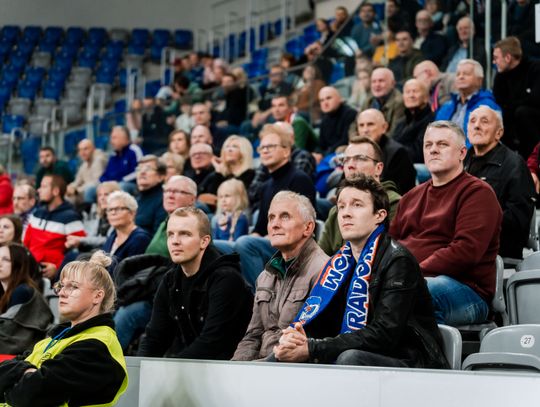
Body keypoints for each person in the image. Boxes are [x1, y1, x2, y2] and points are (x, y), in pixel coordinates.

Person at [272, 176, 448, 368]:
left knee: (350, 359)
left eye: (357, 205)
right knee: (280, 355)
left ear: (380, 215)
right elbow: (327, 323)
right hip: (368, 353)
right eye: (341, 206)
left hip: (410, 359)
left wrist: (314, 348)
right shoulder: (339, 265)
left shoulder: (398, 261)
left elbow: (385, 334)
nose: (346, 213)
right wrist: (298, 338)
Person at [390, 121, 503, 326]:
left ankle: (427, 349)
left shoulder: (477, 193)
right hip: (408, 281)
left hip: (466, 289)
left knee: (420, 292)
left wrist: (411, 273)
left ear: (462, 153)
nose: (433, 150)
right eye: (428, 145)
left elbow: (465, 251)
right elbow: (390, 245)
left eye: (442, 144)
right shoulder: (410, 197)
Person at [0, 251, 128, 406]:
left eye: (73, 287)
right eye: (60, 286)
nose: (61, 293)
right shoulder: (54, 339)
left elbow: (33, 394)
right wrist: (27, 373)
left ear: (97, 296)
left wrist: (16, 380)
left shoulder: (98, 345)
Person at [138, 207, 253, 359]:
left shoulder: (227, 279)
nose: (175, 241)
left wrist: (171, 368)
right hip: (195, 365)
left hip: (232, 367)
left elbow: (212, 344)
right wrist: (140, 368)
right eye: (170, 234)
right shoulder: (170, 280)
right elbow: (154, 337)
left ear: (204, 241)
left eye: (184, 234)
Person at [215, 123, 317, 287]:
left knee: (244, 244)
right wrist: (254, 236)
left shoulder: (299, 179)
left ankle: (262, 294)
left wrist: (259, 238)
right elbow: (260, 228)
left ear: (286, 151)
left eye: (270, 146)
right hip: (268, 242)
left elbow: (305, 225)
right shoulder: (265, 186)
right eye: (262, 148)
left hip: (292, 246)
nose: (265, 151)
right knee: (214, 246)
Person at [233, 191, 329, 361]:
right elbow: (252, 337)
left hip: (294, 368)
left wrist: (259, 367)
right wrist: (237, 368)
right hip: (261, 366)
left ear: (308, 228)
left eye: (285, 217)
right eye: (271, 218)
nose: (274, 225)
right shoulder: (264, 276)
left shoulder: (324, 271)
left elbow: (314, 341)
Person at [464, 106, 535, 259]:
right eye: (472, 121)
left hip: (495, 252)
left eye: (484, 121)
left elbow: (518, 219)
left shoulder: (514, 165)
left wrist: (474, 222)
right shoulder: (460, 162)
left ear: (499, 133)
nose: (476, 126)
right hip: (461, 244)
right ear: (467, 130)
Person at [319, 137, 402, 256]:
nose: (350, 165)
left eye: (360, 158)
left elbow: (389, 255)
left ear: (378, 168)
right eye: (346, 160)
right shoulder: (335, 211)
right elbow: (321, 258)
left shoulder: (396, 204)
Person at [24, 175, 86, 281]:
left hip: (52, 276)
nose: (39, 190)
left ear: (56, 191)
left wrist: (58, 268)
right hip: (29, 267)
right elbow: (26, 244)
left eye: (44, 186)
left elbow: (80, 253)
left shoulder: (70, 217)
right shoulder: (36, 213)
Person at [492, 36, 540, 158]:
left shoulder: (535, 68)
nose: (494, 62)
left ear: (508, 58)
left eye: (496, 58)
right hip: (512, 121)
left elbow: (535, 99)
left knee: (522, 112)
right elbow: (499, 101)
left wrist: (512, 105)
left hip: (534, 120)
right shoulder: (500, 75)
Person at [0, 243, 52, 354]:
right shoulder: (10, 291)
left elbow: (8, 332)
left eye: (6, 259)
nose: (0, 263)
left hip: (21, 354)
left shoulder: (22, 291)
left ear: (19, 264)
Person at [435, 59, 501, 145]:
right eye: (458, 74)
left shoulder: (488, 106)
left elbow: (486, 139)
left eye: (466, 74)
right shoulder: (447, 106)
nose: (461, 77)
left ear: (479, 80)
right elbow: (436, 134)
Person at [354, 109, 416, 194]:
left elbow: (401, 191)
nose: (365, 130)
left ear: (384, 127)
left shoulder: (398, 153)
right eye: (361, 125)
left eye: (370, 124)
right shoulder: (354, 152)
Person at [65, 181, 120, 254]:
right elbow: (92, 236)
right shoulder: (99, 215)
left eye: (106, 194)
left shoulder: (119, 216)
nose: (102, 198)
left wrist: (81, 240)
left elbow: (109, 240)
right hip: (95, 251)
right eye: (100, 195)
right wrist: (78, 242)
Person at [102, 191, 151, 269]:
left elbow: (130, 272)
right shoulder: (112, 236)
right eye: (110, 210)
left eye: (118, 209)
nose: (113, 213)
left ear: (132, 213)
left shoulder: (140, 239)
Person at [392, 78, 434, 163]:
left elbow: (418, 154)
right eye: (407, 92)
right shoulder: (401, 123)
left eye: (415, 91)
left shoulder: (431, 121)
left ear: (426, 97)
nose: (411, 95)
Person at [315, 86, 357, 161]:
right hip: (328, 155)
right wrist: (317, 154)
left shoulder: (350, 114)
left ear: (339, 98)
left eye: (328, 98)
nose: (325, 103)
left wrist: (324, 154)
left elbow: (345, 140)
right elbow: (321, 145)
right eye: (322, 100)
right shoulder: (324, 120)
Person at [99, 126, 144, 195]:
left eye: (114, 138)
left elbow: (139, 171)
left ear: (125, 138)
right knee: (93, 189)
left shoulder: (134, 150)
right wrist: (103, 183)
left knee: (122, 186)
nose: (111, 141)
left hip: (132, 185)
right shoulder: (113, 155)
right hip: (114, 185)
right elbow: (106, 174)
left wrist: (120, 181)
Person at [360, 67, 405, 136]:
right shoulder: (368, 100)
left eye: (381, 81)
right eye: (374, 81)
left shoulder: (399, 102)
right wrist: (355, 140)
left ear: (392, 83)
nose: (377, 85)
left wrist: (371, 140)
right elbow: (355, 125)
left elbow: (394, 133)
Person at [66, 139, 107, 205]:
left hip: (100, 190)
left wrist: (77, 190)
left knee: (89, 189)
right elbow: (77, 181)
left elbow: (96, 182)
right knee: (68, 196)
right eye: (80, 150)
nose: (82, 153)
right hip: (84, 190)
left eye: (85, 149)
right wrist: (70, 187)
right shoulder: (84, 164)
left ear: (93, 149)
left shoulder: (99, 159)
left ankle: (89, 211)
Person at [134, 155, 168, 235]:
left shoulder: (165, 200)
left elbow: (158, 235)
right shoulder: (135, 199)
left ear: (161, 177)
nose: (142, 172)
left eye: (148, 169)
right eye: (139, 169)